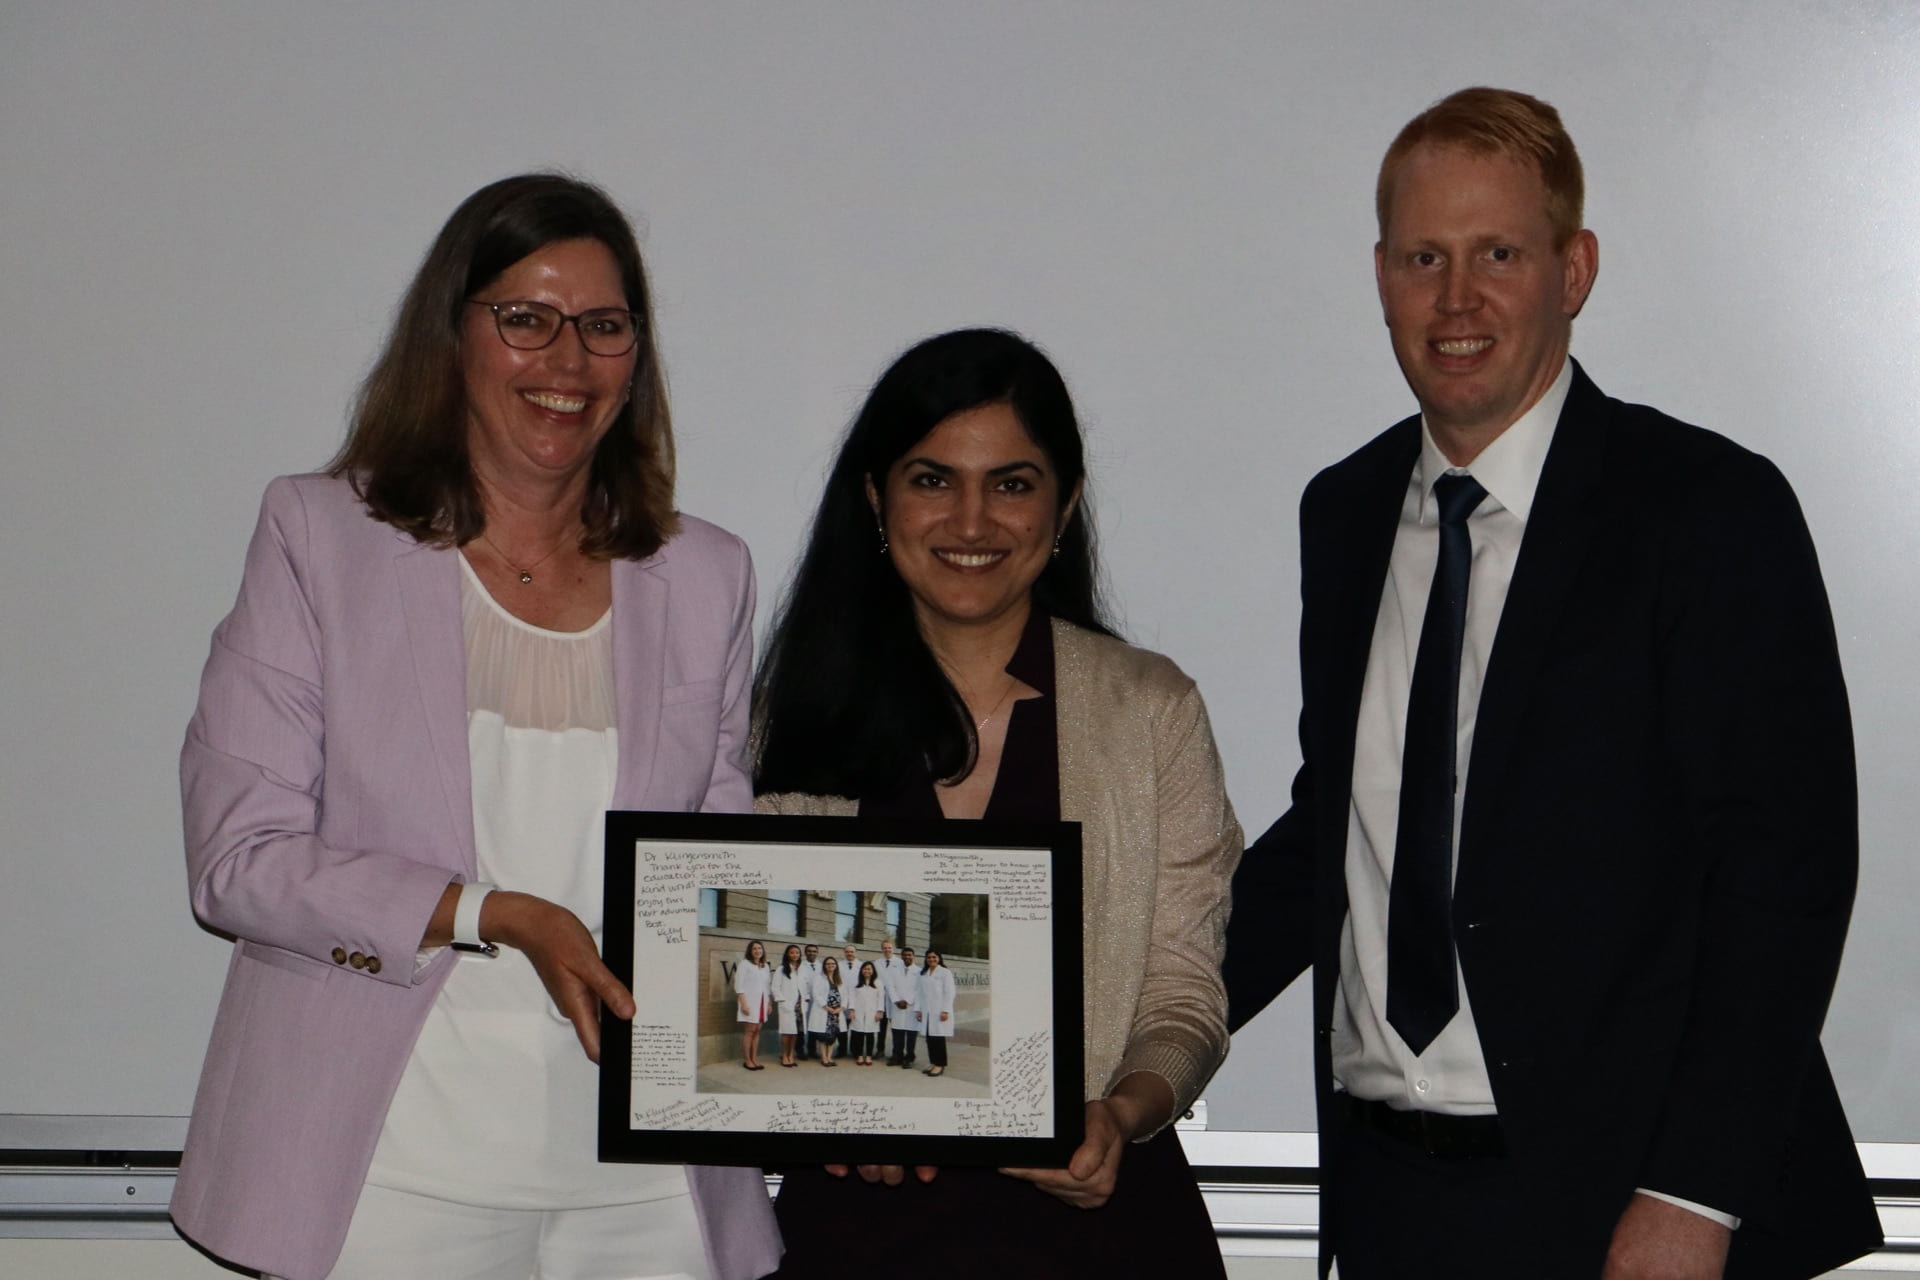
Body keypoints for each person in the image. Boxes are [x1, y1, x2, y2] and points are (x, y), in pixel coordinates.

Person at [1221, 87, 1881, 1278]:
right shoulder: (1348, 509)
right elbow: (1347, 826)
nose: (1457, 297)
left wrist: (1694, 1194)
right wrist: (1119, 1024)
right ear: (1380, 275)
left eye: (1499, 254)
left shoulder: (1707, 509)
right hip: (1389, 1208)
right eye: (1425, 256)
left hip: (1630, 1216)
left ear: (1574, 269)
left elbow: (1784, 871)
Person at [170, 173, 780, 1280]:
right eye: (524, 318)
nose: (566, 360)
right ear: (452, 334)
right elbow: (238, 861)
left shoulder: (706, 573)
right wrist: (494, 912)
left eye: (602, 326)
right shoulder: (317, 537)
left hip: (647, 1187)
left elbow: (719, 872)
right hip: (391, 1171)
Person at [753, 327, 1241, 1277]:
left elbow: (1185, 994)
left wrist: (1125, 1111)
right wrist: (820, 1113)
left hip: (1105, 1238)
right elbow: (758, 1001)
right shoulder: (787, 715)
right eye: (932, 479)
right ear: (875, 499)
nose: (971, 521)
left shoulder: (1152, 711)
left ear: (1064, 508)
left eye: (1012, 483)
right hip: (858, 1243)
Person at [915, 951, 956, 1078]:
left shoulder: (945, 972)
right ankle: (933, 1062)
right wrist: (919, 1009)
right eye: (929, 957)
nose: (931, 959)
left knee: (938, 1038)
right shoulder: (923, 974)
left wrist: (945, 1010)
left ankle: (940, 1064)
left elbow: (950, 992)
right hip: (927, 1011)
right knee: (929, 1038)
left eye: (934, 957)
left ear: (939, 959)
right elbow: (919, 993)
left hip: (939, 1011)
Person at [735, 939, 772, 1070]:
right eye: (754, 948)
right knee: (750, 1030)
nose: (757, 951)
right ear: (750, 951)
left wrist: (769, 1003)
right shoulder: (744, 964)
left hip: (762, 1002)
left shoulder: (765, 966)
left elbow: (767, 987)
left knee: (757, 1031)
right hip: (749, 1002)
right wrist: (744, 1004)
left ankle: (754, 1059)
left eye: (760, 948)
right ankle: (747, 1060)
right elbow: (739, 987)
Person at [772, 943, 807, 1067]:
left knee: (795, 1032)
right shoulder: (781, 969)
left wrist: (806, 998)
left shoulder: (801, 969)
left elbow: (804, 986)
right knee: (787, 1032)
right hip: (787, 1005)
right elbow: (775, 988)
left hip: (800, 1006)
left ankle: (791, 1054)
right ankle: (784, 1056)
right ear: (787, 954)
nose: (795, 955)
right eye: (792, 952)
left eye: (797, 952)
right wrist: (783, 1002)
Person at [809, 955, 845, 1066]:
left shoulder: (840, 978)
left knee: (833, 1036)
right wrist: (826, 1006)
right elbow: (815, 993)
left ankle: (830, 1057)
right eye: (828, 964)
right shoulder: (819, 977)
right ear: (824, 965)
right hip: (824, 1010)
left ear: (836, 966)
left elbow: (846, 994)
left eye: (833, 964)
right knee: (823, 1036)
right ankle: (824, 1058)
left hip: (836, 1012)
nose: (831, 966)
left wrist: (841, 1008)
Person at [887, 945, 920, 1067]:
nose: (907, 957)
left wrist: (907, 1001)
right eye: (905, 955)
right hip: (897, 1006)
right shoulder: (894, 970)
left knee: (911, 1034)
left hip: (911, 1007)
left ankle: (909, 1057)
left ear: (913, 957)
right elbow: (890, 987)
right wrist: (896, 1001)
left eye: (909, 955)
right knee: (897, 1032)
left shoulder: (919, 971)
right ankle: (897, 1056)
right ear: (901, 956)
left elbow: (919, 989)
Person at [849, 960, 885, 1065]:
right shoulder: (856, 982)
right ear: (861, 970)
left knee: (870, 1034)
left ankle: (868, 1056)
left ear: (873, 970)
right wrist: (851, 1010)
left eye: (869, 969)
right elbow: (851, 997)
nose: (867, 971)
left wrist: (879, 1011)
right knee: (859, 1034)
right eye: (865, 969)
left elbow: (881, 998)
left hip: (872, 1013)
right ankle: (859, 1056)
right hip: (858, 1012)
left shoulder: (878, 983)